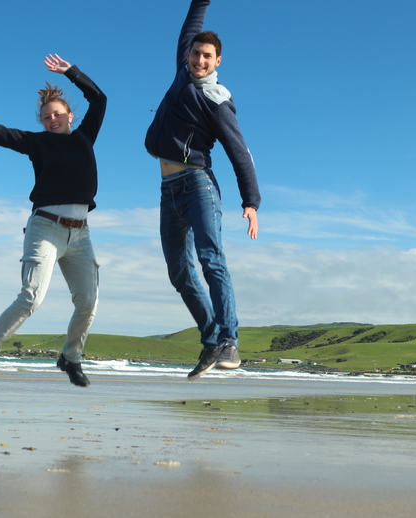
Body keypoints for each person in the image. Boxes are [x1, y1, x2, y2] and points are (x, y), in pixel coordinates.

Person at [0, 54, 106, 387]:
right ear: (41, 122)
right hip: (45, 228)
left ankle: (70, 357)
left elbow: (99, 98)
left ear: (70, 115)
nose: (53, 120)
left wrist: (71, 72)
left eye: (58, 114)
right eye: (46, 117)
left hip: (81, 235)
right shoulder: (36, 143)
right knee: (31, 297)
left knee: (88, 301)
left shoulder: (85, 137)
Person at [145, 0, 261, 380]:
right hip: (168, 189)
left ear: (217, 61)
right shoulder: (182, 73)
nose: (199, 60)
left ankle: (229, 341)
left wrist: (251, 201)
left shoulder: (216, 101)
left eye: (207, 56)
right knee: (178, 272)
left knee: (210, 259)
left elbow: (239, 151)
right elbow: (188, 28)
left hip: (198, 185)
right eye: (196, 53)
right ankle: (211, 339)